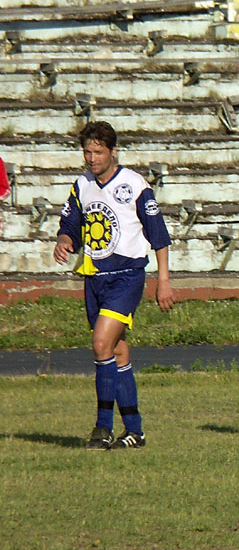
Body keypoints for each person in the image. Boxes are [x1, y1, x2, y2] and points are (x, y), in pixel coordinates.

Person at [53, 121, 174, 449]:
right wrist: (64, 240)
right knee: (117, 351)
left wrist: (163, 280)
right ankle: (135, 430)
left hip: (127, 276)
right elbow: (71, 225)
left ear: (113, 151)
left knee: (101, 344)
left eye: (98, 152)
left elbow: (159, 237)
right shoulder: (81, 185)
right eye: (87, 152)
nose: (92, 158)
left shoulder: (133, 184)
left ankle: (102, 427)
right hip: (94, 279)